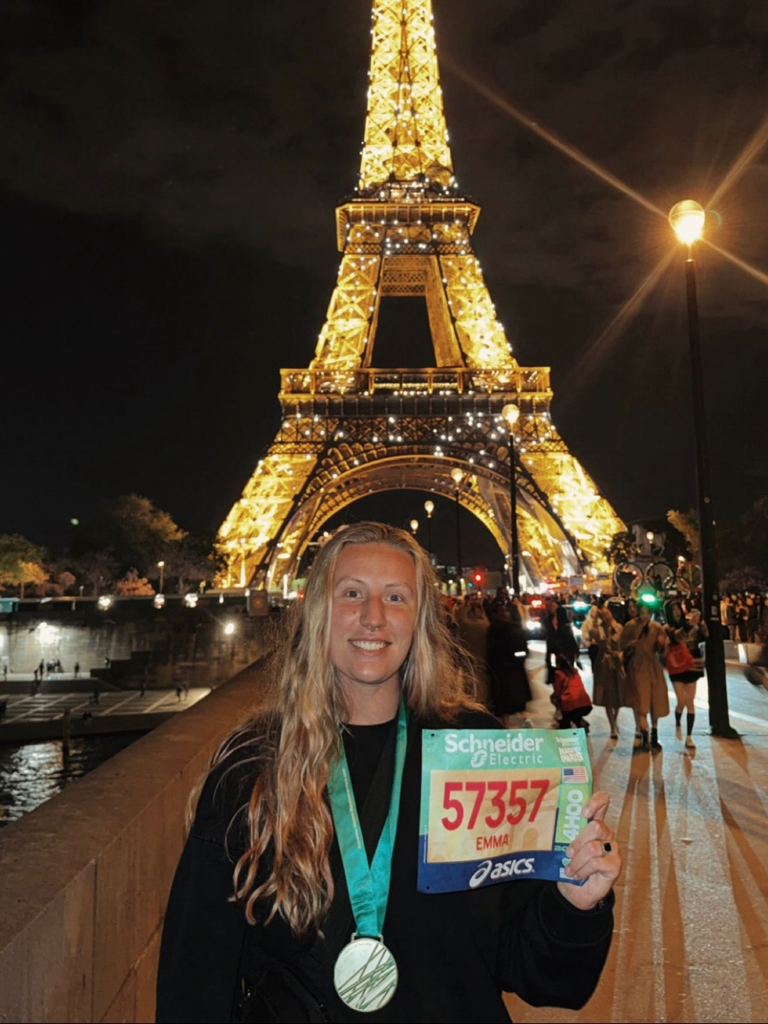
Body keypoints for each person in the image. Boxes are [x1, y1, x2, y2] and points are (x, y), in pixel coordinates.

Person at [156, 522, 620, 1023]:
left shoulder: (476, 750)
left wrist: (573, 904)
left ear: (420, 619)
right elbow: (197, 978)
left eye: (396, 597)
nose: (373, 617)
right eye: (352, 593)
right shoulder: (251, 767)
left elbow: (532, 969)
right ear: (316, 612)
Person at [620, 604, 668, 753]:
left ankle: (653, 735)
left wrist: (662, 644)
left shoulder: (656, 627)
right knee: (641, 701)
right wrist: (631, 645)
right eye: (642, 612)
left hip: (653, 667)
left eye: (647, 612)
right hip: (637, 666)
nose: (644, 615)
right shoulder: (630, 627)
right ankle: (644, 735)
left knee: (655, 701)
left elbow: (663, 651)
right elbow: (622, 646)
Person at [664, 602, 707, 748]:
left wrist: (700, 623)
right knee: (681, 702)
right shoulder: (668, 628)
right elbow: (676, 637)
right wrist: (690, 625)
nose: (676, 612)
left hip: (692, 665)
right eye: (673, 610)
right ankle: (677, 722)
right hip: (677, 666)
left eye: (678, 609)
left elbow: (706, 636)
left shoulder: (691, 624)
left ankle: (689, 736)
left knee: (690, 703)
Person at [486, 602, 532, 726]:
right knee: (518, 698)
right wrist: (518, 659)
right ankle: (523, 719)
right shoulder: (516, 630)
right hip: (514, 670)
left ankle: (505, 723)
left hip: (499, 670)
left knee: (502, 702)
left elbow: (490, 650)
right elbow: (523, 650)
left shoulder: (493, 631)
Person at [585, 603, 626, 740]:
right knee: (608, 696)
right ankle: (612, 727)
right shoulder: (598, 629)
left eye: (607, 613)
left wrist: (622, 655)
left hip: (617, 663)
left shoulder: (619, 627)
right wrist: (595, 620)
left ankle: (615, 719)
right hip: (604, 664)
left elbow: (624, 643)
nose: (606, 616)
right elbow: (592, 635)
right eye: (603, 615)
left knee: (619, 694)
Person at [551, 653, 592, 731]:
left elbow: (557, 691)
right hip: (586, 704)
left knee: (566, 721)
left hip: (570, 705)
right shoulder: (575, 671)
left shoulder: (559, 674)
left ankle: (568, 723)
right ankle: (579, 723)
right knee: (574, 714)